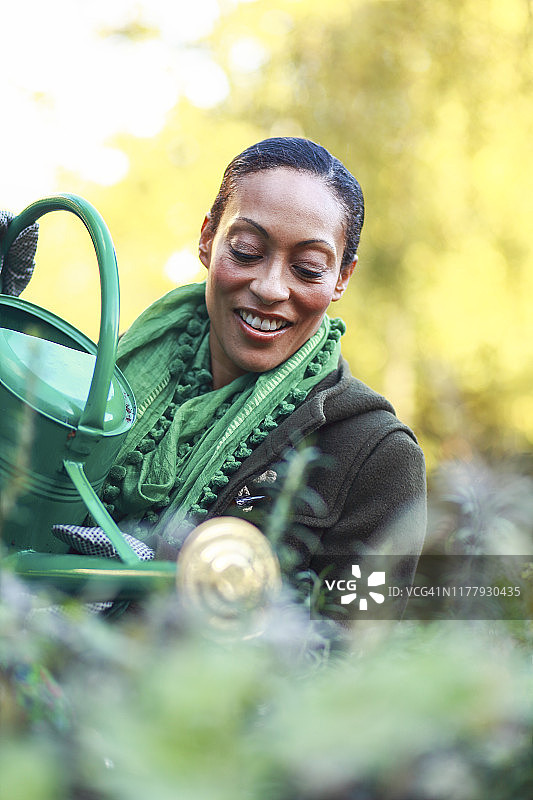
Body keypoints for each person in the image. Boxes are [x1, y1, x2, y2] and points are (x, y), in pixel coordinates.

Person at [3, 137, 427, 607]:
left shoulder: (377, 455)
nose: (270, 288)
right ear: (207, 239)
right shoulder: (103, 377)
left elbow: (353, 646)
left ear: (342, 277)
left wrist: (173, 582)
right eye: (246, 251)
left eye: (308, 269)